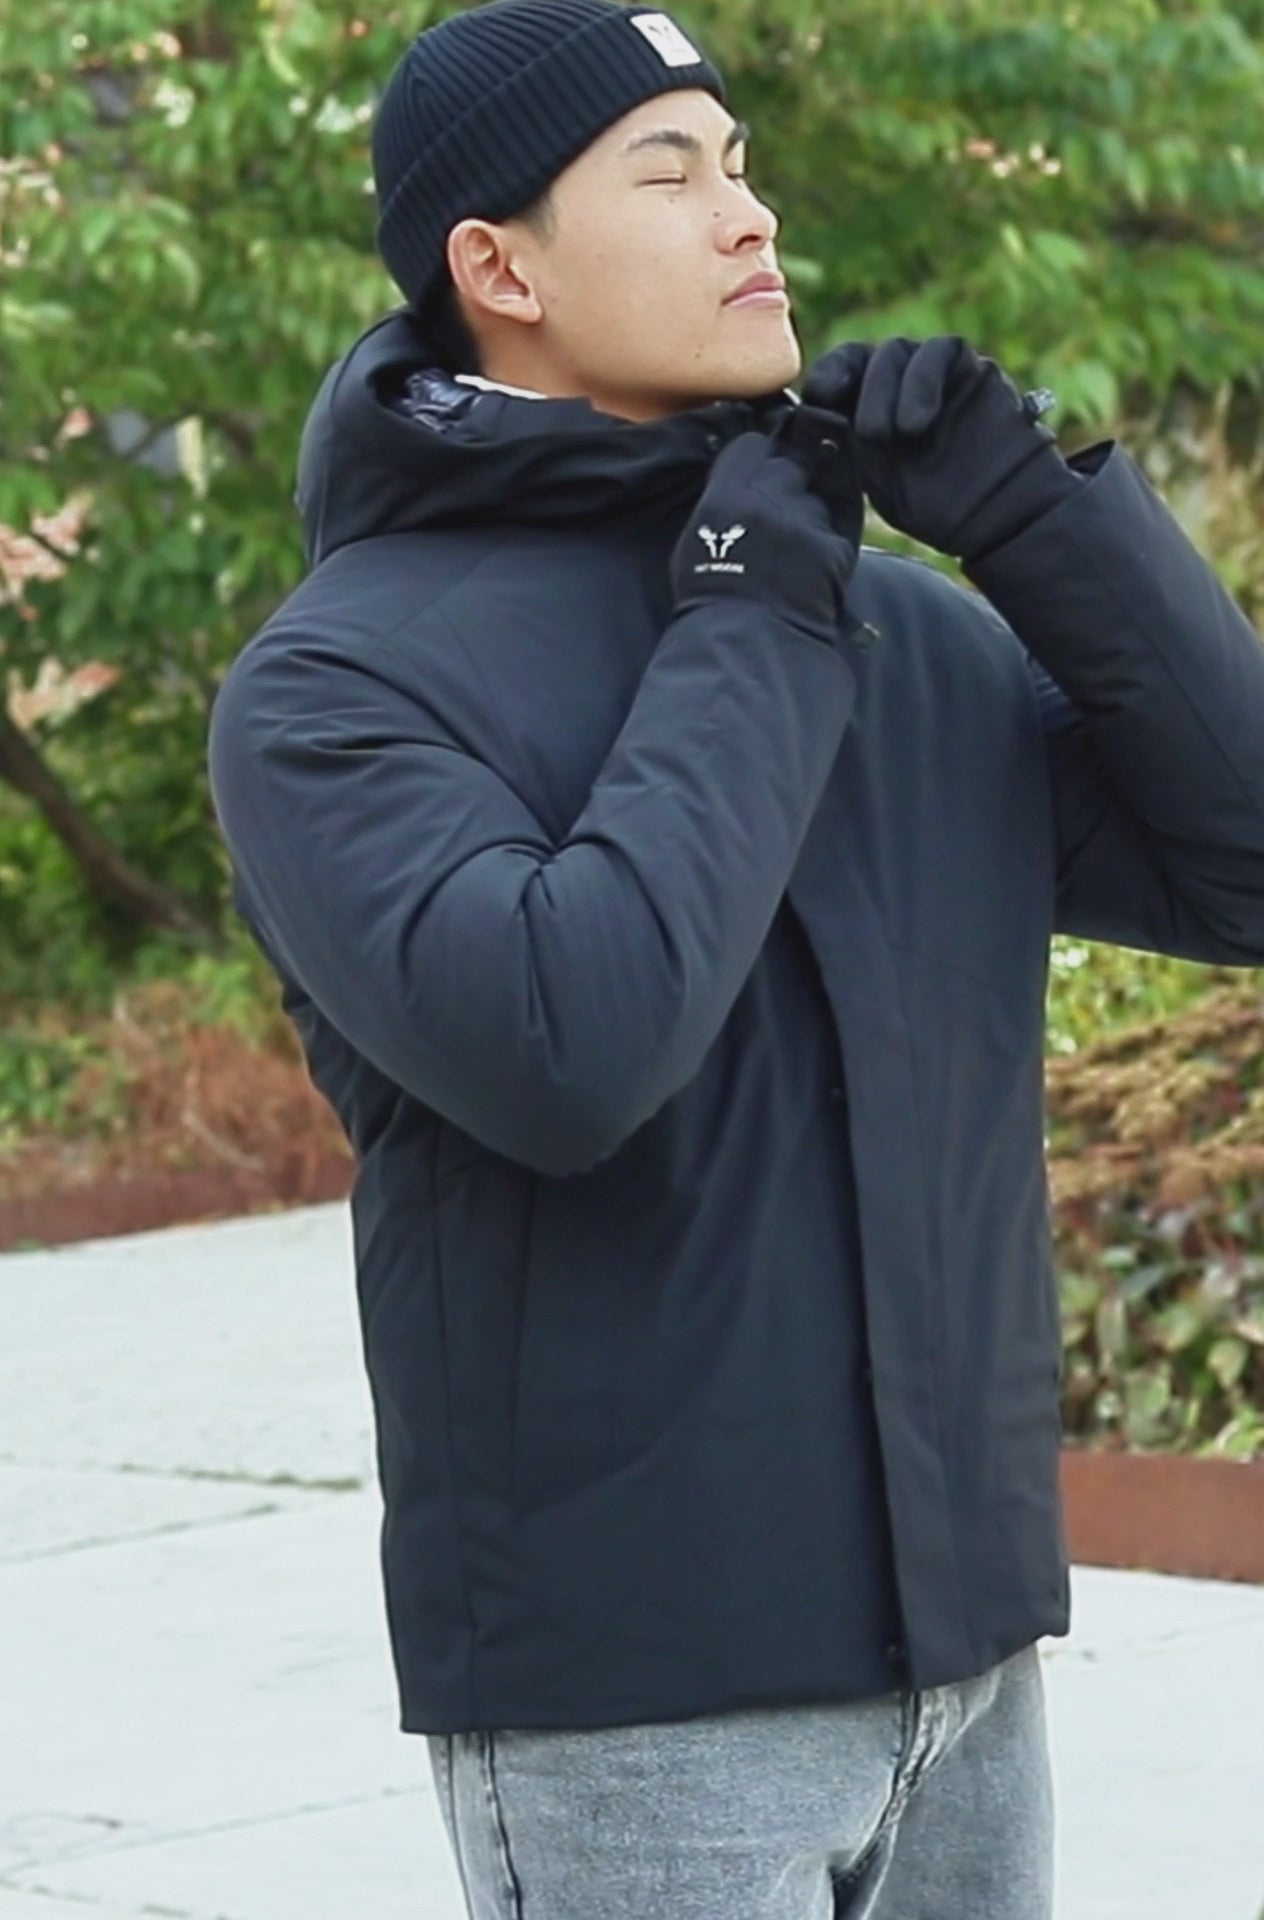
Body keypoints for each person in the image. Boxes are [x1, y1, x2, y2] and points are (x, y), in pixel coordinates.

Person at [206, 3, 1264, 1914]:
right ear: (499, 268)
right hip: (638, 1707)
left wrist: (1035, 516)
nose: (747, 214)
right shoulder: (337, 685)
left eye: (744, 163)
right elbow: (572, 1043)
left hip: (970, 1665)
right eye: (669, 171)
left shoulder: (896, 633)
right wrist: (753, 601)